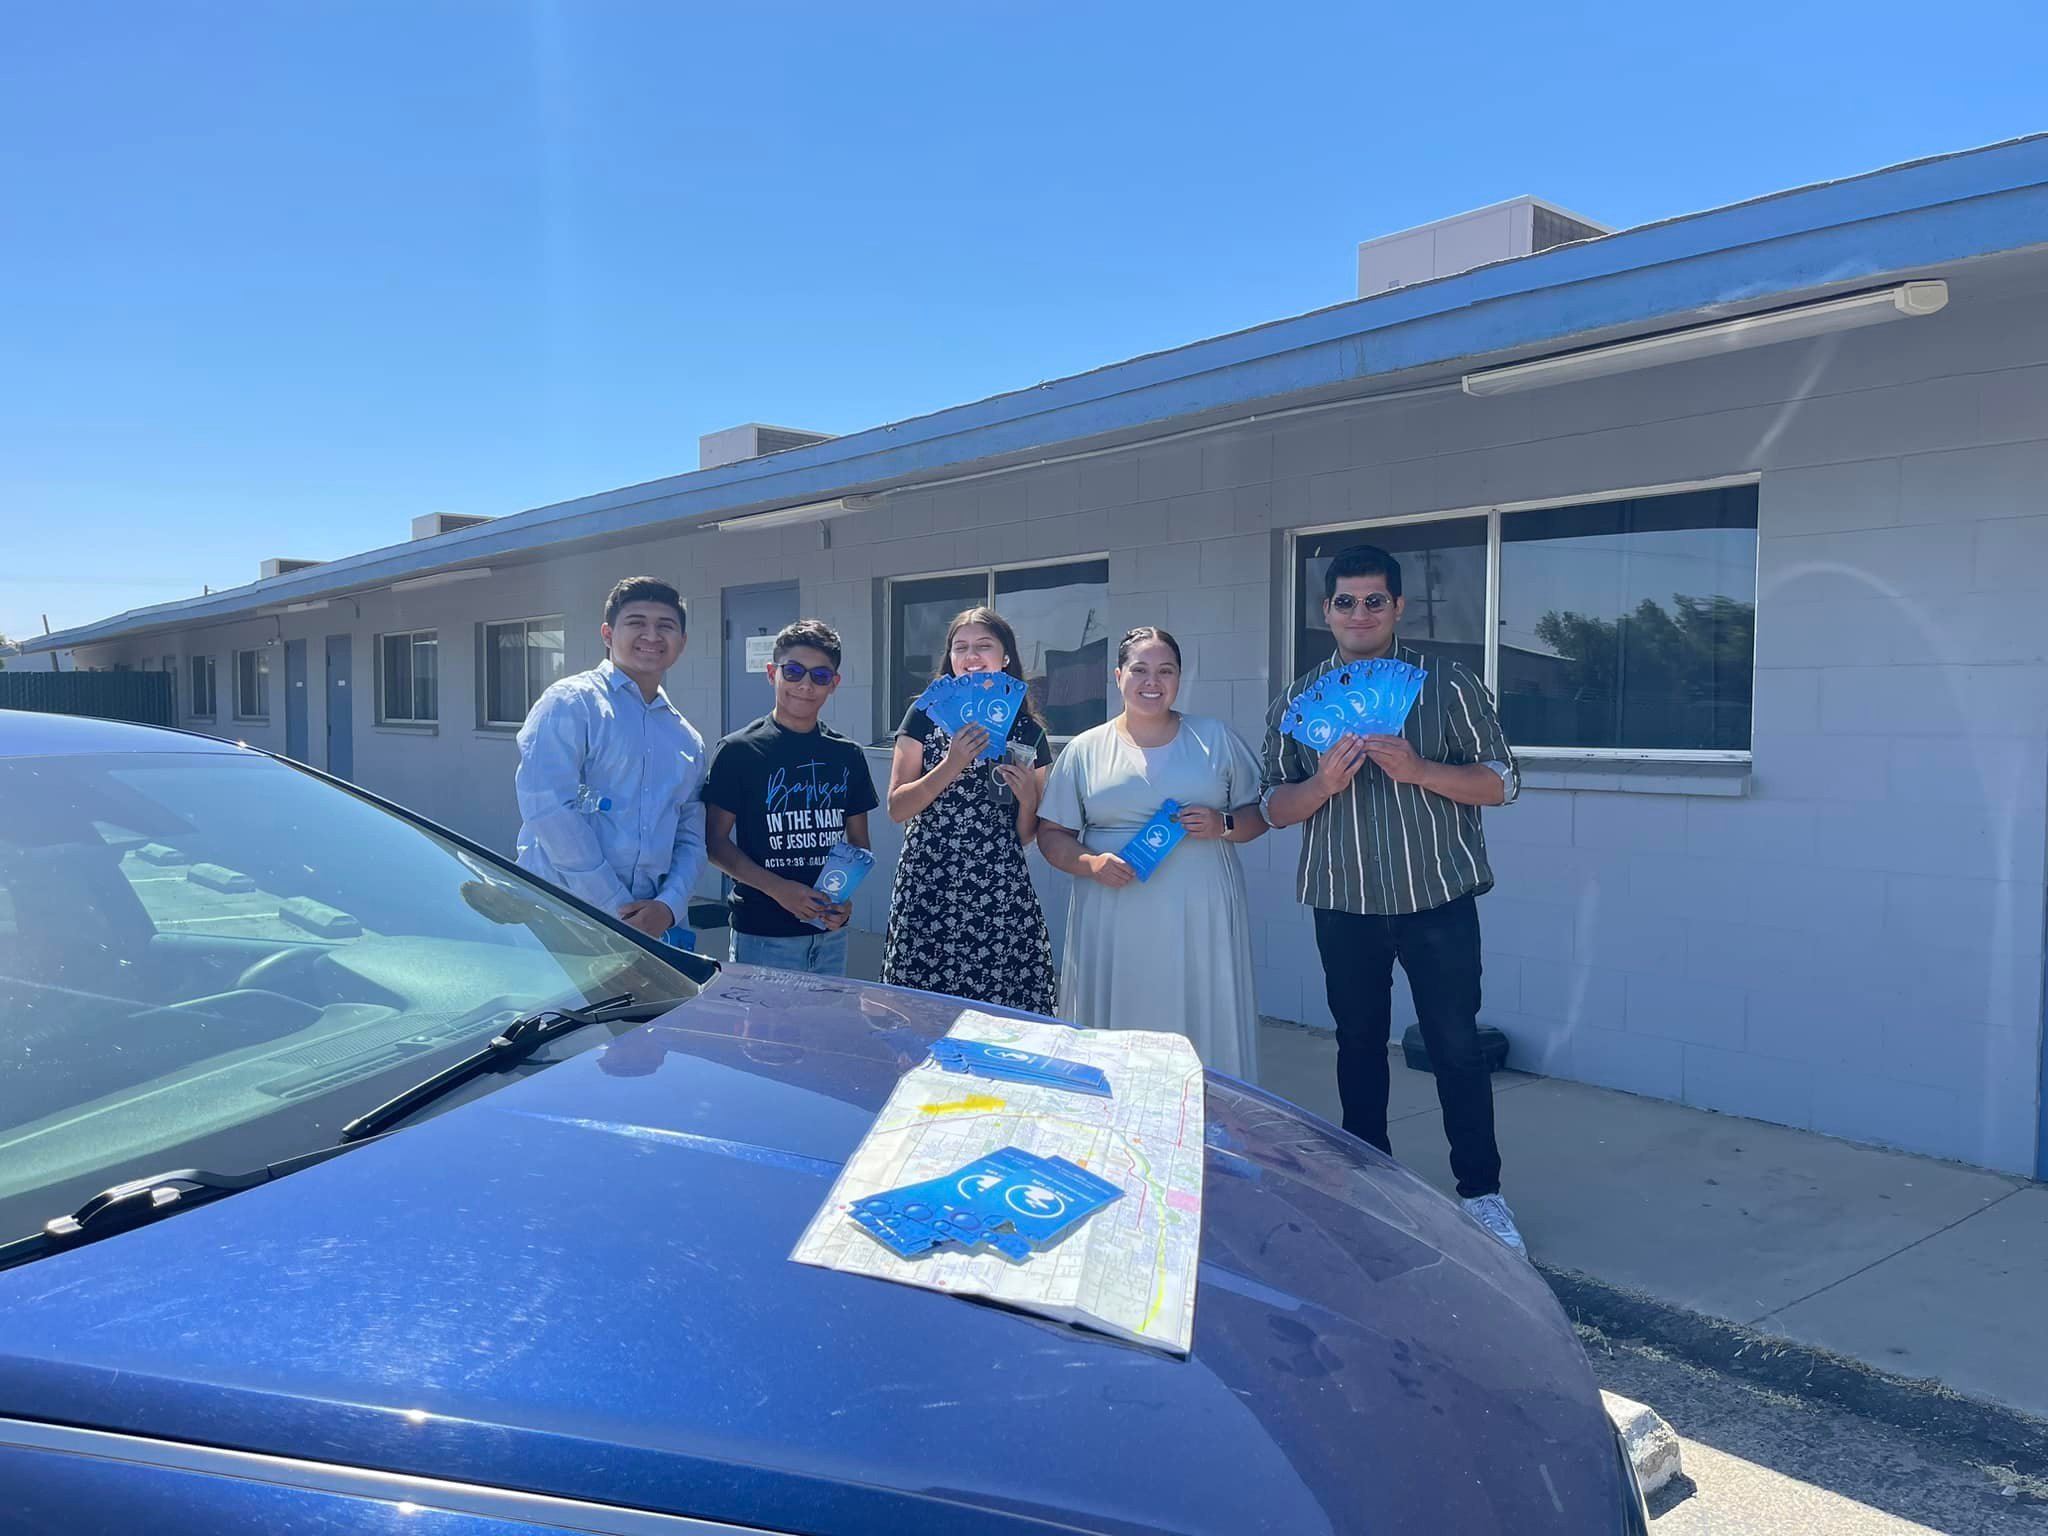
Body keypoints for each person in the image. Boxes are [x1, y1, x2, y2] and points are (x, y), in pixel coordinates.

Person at [1259, 543, 1526, 1256]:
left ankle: (1482, 1195)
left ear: (1399, 607)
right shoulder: (1296, 700)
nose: (1360, 613)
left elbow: (1502, 782)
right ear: (1326, 611)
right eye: (1346, 601)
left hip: (1435, 894)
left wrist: (1421, 769)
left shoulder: (1449, 683)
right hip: (1343, 900)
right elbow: (1273, 807)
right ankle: (1368, 1182)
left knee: (1456, 1047)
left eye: (1375, 600)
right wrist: (1320, 786)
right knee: (1356, 1045)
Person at [1036, 627, 1267, 1076]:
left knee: (1201, 1019)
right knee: (1117, 1030)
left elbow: (1263, 814)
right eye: (1139, 670)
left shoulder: (1214, 738)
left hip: (1200, 912)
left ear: (1181, 678)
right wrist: (1091, 863)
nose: (1152, 682)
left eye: (1166, 671)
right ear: (1117, 675)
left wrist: (1225, 824)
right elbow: (1051, 834)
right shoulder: (1086, 749)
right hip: (1113, 912)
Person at [881, 607, 1056, 1015]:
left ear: (1005, 657)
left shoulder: (1028, 730)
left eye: (983, 646)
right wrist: (951, 764)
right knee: (923, 1010)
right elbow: (896, 807)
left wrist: (1028, 798)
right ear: (950, 657)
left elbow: (1028, 834)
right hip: (928, 881)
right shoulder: (925, 714)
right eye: (961, 647)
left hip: (998, 887)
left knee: (997, 1010)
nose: (971, 656)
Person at [514, 576, 705, 947]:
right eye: (636, 623)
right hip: (563, 920)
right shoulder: (571, 704)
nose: (652, 636)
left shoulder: (686, 739)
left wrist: (668, 905)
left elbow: (691, 835)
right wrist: (615, 909)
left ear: (681, 643)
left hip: (653, 928)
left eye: (665, 626)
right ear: (607, 634)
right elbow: (547, 809)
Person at [703, 619, 878, 975]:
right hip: (763, 936)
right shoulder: (738, 751)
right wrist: (779, 889)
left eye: (820, 676)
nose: (805, 685)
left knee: (823, 1030)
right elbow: (715, 844)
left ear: (834, 684)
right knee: (766, 1032)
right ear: (772, 673)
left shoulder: (848, 755)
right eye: (794, 671)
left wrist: (844, 903)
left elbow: (859, 844)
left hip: (829, 935)